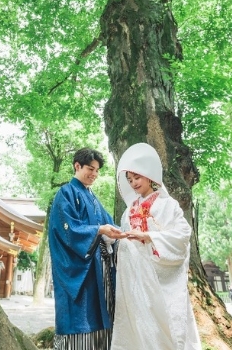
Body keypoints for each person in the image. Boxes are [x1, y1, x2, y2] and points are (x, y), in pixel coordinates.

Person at [111, 143, 201, 350]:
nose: (133, 183)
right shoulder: (129, 210)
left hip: (158, 271)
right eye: (129, 179)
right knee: (137, 317)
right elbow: (127, 235)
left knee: (162, 316)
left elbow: (182, 234)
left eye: (137, 177)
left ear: (150, 176)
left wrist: (149, 236)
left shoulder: (168, 205)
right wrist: (117, 237)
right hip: (134, 274)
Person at [49, 147, 126, 349]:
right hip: (79, 268)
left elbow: (109, 224)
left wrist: (121, 233)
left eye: (97, 170)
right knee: (80, 315)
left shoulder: (92, 198)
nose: (94, 174)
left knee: (103, 311)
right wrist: (99, 230)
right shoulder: (65, 193)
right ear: (77, 166)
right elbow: (69, 230)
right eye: (90, 169)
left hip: (99, 268)